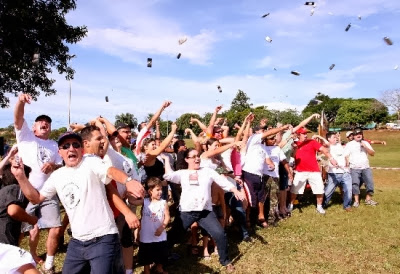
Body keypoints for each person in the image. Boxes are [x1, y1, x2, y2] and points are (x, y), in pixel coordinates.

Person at [11, 131, 144, 273]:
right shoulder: (57, 176)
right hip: (76, 242)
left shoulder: (90, 162)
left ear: (82, 149)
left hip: (103, 238)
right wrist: (20, 177)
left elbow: (110, 171)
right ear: (59, 152)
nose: (71, 148)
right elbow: (36, 198)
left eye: (75, 144)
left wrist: (128, 181)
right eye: (66, 146)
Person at [162, 149, 245, 272]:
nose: (197, 159)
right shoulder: (182, 173)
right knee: (173, 236)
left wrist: (234, 190)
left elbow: (222, 181)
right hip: (186, 212)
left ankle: (225, 261)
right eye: (193, 156)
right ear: (187, 159)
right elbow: (168, 175)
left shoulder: (207, 171)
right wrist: (167, 160)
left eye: (198, 156)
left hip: (205, 212)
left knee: (220, 234)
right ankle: (162, 260)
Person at [14, 93, 63, 273]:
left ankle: (49, 264)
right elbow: (18, 117)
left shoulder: (54, 145)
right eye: (41, 121)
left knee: (56, 228)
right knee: (23, 231)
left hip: (48, 192)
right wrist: (20, 101)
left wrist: (53, 165)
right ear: (34, 126)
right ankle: (20, 256)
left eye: (48, 122)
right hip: (26, 192)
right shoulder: (25, 136)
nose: (45, 123)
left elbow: (60, 164)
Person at [0, 148, 39, 274]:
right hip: (5, 242)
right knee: (25, 267)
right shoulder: (16, 188)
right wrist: (31, 219)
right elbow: (13, 211)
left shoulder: (3, 190)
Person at [288, 127, 338, 215]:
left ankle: (319, 206)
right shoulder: (294, 144)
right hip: (300, 171)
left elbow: (324, 150)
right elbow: (292, 156)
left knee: (319, 189)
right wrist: (295, 148)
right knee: (295, 190)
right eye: (303, 134)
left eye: (306, 133)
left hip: (314, 171)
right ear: (298, 135)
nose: (306, 135)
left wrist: (331, 158)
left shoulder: (312, 142)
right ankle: (290, 205)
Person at [138, 177, 170, 274]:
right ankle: (146, 270)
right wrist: (127, 194)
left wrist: (162, 227)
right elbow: (133, 202)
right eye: (157, 190)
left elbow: (167, 217)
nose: (160, 192)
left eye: (161, 189)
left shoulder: (163, 203)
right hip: (146, 236)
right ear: (150, 191)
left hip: (160, 235)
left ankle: (159, 268)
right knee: (146, 255)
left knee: (161, 253)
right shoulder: (145, 202)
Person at [316, 132, 352, 211]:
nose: (336, 138)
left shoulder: (340, 146)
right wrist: (319, 136)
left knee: (348, 190)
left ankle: (347, 205)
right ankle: (322, 205)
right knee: (328, 191)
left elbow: (345, 154)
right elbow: (325, 146)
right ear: (329, 139)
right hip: (333, 174)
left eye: (336, 137)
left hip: (345, 172)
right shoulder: (328, 147)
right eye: (334, 137)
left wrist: (347, 162)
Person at [344, 128, 378, 207]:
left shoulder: (365, 143)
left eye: (360, 134)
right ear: (354, 136)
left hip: (366, 167)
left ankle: (368, 199)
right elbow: (345, 155)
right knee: (355, 184)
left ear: (362, 135)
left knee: (370, 184)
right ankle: (356, 201)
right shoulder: (350, 144)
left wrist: (365, 146)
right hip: (354, 168)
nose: (358, 135)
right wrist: (347, 162)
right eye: (356, 134)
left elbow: (372, 153)